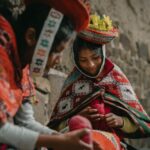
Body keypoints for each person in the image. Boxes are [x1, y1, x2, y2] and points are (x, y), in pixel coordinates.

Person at [0, 1, 93, 150]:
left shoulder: (21, 66)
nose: (59, 60)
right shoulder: (2, 53)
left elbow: (25, 122)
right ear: (31, 37)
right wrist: (60, 142)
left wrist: (63, 139)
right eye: (57, 51)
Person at [49, 14, 150, 149]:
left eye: (95, 58)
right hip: (76, 143)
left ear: (102, 55)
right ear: (76, 60)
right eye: (83, 60)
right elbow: (54, 128)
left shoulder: (116, 78)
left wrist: (121, 121)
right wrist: (75, 118)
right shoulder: (74, 82)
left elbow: (146, 126)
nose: (90, 65)